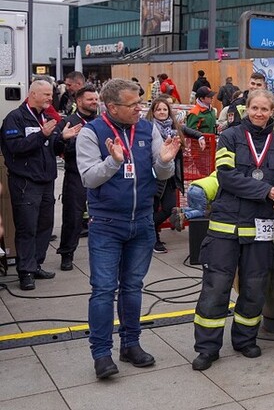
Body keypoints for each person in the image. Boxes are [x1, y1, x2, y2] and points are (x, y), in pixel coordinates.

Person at [76, 78, 181, 379]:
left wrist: (164, 162)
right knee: (104, 290)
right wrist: (113, 162)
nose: (140, 109)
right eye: (133, 105)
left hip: (142, 221)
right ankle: (101, 354)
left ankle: (131, 344)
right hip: (107, 224)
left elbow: (162, 168)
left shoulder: (147, 129)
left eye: (140, 103)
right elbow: (89, 178)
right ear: (112, 107)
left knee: (133, 287)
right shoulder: (91, 133)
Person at [191, 89, 274, 371]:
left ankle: (245, 339)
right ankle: (207, 348)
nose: (259, 113)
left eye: (265, 109)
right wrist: (265, 190)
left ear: (273, 111)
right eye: (255, 108)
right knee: (216, 288)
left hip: (260, 229)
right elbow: (227, 177)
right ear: (247, 108)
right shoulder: (230, 137)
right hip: (227, 227)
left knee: (254, 287)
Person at [1, 79, 80, 290]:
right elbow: (15, 147)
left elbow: (52, 148)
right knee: (27, 227)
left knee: (44, 225)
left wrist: (62, 138)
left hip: (46, 181)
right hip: (25, 182)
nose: (50, 98)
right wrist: (41, 134)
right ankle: (25, 271)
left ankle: (36, 264)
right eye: (46, 94)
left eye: (51, 94)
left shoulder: (45, 117)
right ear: (33, 94)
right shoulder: (15, 118)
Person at [148, 97, 206, 253]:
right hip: (153, 176)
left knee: (169, 208)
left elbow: (188, 130)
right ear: (153, 112)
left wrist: (200, 137)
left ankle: (147, 229)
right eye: (158, 109)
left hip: (171, 176)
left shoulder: (175, 128)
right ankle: (153, 238)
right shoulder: (147, 128)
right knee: (153, 208)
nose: (161, 112)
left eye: (164, 109)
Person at [56, 85, 100, 271]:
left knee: (102, 215)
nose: (94, 102)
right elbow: (57, 149)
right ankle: (67, 254)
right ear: (79, 101)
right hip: (76, 175)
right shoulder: (69, 122)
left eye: (96, 99)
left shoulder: (100, 121)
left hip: (99, 174)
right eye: (90, 99)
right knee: (72, 218)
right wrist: (68, 139)